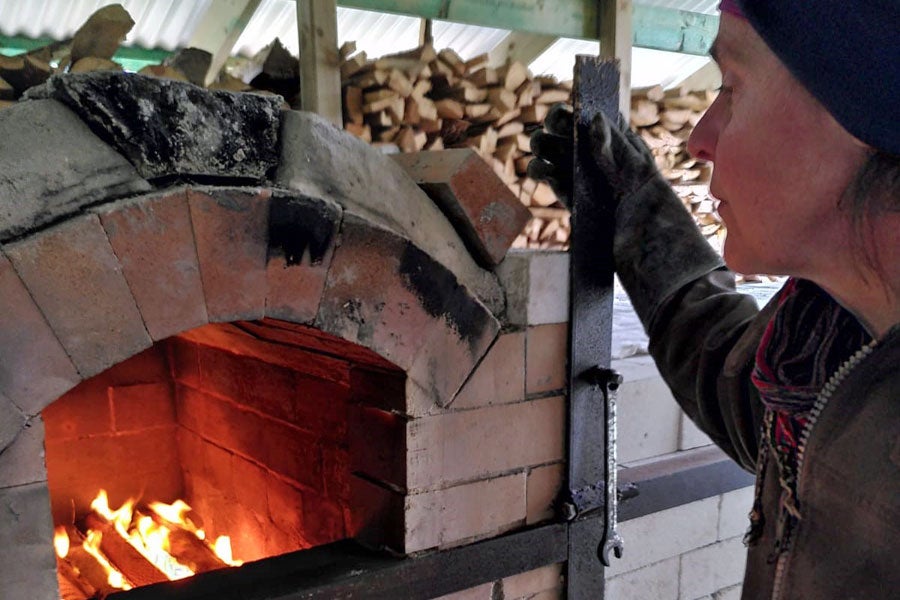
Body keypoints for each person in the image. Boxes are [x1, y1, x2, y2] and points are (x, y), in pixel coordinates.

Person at [529, 1, 899, 598]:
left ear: (863, 104)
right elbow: (736, 380)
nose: (700, 139)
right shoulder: (824, 333)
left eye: (731, 86)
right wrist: (637, 212)